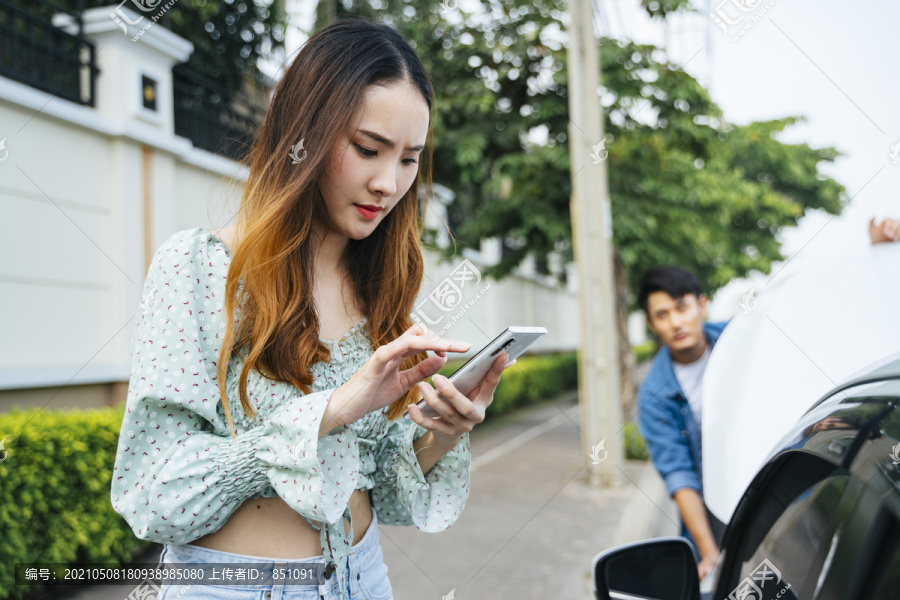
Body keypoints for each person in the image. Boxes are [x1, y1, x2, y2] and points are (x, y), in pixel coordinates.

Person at [111, 19, 513, 600]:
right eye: (369, 149)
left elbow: (384, 492)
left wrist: (440, 435)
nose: (388, 182)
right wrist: (331, 412)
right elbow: (152, 492)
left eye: (409, 159)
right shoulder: (198, 267)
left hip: (363, 578)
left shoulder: (380, 283)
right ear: (304, 133)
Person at [635, 266, 729, 581]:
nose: (675, 323)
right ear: (651, 324)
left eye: (681, 307)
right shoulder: (654, 394)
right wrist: (708, 551)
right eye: (662, 315)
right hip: (713, 512)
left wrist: (881, 254)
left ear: (701, 305)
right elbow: (679, 474)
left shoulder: (740, 341)